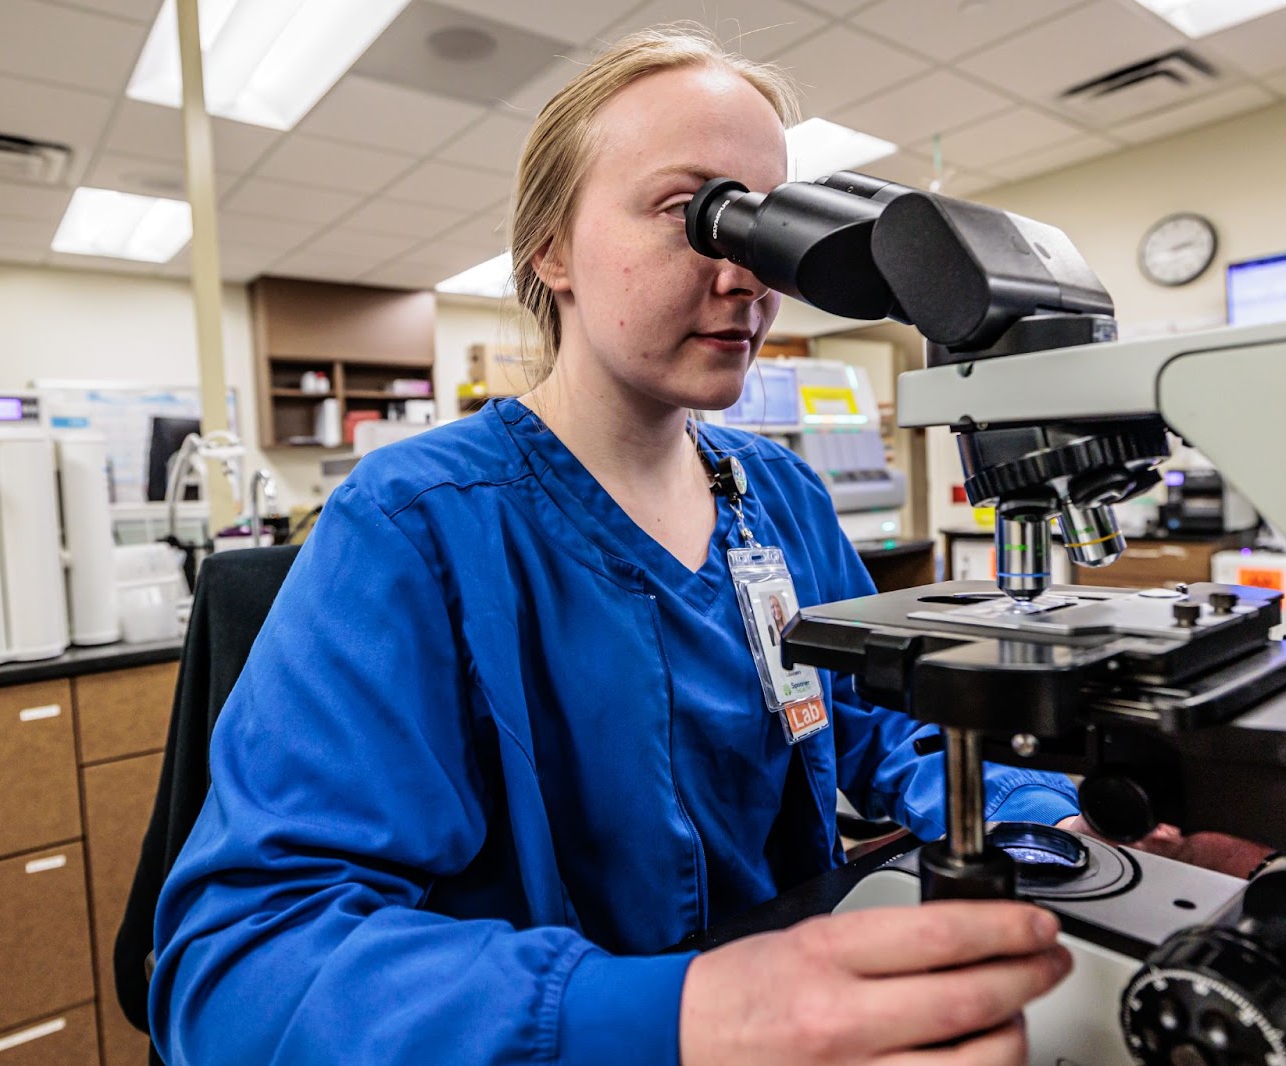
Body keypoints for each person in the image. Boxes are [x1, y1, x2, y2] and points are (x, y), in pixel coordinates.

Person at [150, 26, 1084, 1066]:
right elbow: (239, 967)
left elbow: (880, 727)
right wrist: (680, 1016)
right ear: (552, 249)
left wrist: (1043, 815)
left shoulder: (779, 494)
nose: (748, 279)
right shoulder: (417, 519)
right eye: (694, 213)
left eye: (767, 228)